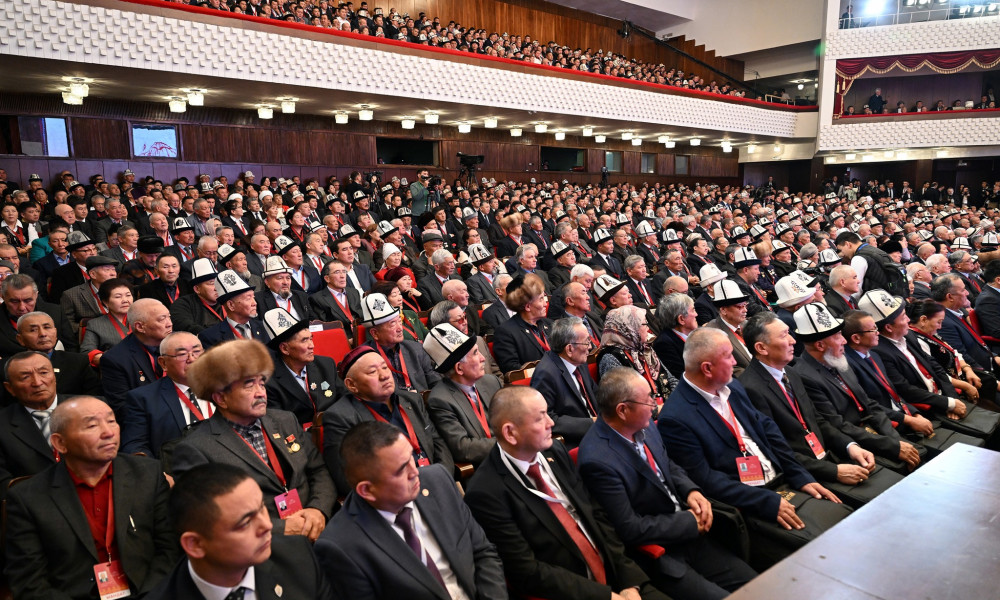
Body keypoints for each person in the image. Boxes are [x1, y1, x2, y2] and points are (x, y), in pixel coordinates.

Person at [657, 327, 852, 570]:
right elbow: (705, 479)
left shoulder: (733, 387)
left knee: (847, 518)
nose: (736, 361)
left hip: (782, 480)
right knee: (824, 552)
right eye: (729, 356)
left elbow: (768, 430)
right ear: (707, 368)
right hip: (750, 502)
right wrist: (766, 502)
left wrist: (799, 476)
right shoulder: (675, 418)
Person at [464, 386, 669, 600]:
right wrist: (605, 596)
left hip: (616, 575)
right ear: (510, 433)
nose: (551, 423)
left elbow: (596, 515)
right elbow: (527, 572)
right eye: (540, 418)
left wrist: (629, 582)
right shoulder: (485, 493)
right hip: (574, 592)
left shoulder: (554, 451)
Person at [578, 367, 757, 600]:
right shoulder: (597, 460)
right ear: (622, 410)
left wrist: (690, 490)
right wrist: (688, 521)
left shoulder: (645, 424)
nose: (654, 405)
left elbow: (666, 462)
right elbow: (629, 528)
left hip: (693, 536)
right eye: (648, 400)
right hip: (661, 553)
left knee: (757, 586)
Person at [5, 397, 178, 599]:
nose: (108, 432)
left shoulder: (148, 474)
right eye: (92, 425)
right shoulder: (28, 497)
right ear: (60, 443)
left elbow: (169, 552)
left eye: (112, 421)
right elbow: (28, 579)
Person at [315, 421, 507, 599]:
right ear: (367, 490)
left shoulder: (437, 480)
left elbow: (483, 552)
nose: (415, 472)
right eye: (401, 470)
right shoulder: (341, 546)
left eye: (411, 458)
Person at [171, 339, 336, 539]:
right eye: (249, 386)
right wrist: (279, 528)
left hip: (316, 528)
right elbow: (210, 518)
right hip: (261, 546)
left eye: (261, 383)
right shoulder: (196, 448)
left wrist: (317, 510)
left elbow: (318, 470)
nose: (261, 393)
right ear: (221, 398)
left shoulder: (284, 420)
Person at [738, 312, 903, 508]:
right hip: (806, 473)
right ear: (761, 348)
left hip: (828, 455)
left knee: (897, 484)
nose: (792, 341)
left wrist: (851, 447)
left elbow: (818, 421)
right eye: (783, 336)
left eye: (789, 333)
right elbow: (777, 449)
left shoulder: (790, 372)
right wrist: (833, 471)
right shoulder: (749, 388)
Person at [147, 463, 335, 600]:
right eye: (245, 523)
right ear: (195, 544)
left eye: (262, 509)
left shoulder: (297, 557)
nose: (267, 526)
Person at [789, 302, 923, 474]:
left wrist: (896, 441)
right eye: (838, 336)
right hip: (856, 446)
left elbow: (869, 405)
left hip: (878, 434)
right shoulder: (804, 376)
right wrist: (892, 446)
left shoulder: (835, 358)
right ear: (820, 345)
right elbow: (838, 425)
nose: (844, 340)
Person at [321, 345, 454, 493]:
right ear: (352, 385)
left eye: (385, 367)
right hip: (392, 497)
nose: (384, 375)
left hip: (435, 483)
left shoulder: (411, 400)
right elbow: (347, 478)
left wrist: (441, 478)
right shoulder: (340, 417)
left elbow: (438, 442)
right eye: (372, 372)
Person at [121, 332, 211, 459]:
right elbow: (135, 445)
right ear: (163, 363)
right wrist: (157, 474)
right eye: (182, 354)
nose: (192, 359)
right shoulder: (143, 399)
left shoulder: (226, 388)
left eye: (197, 351)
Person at [425, 323, 501, 467]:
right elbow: (463, 447)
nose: (483, 358)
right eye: (475, 353)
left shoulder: (491, 382)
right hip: (485, 467)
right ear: (459, 368)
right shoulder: (440, 400)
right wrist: (508, 445)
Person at [263, 307, 348, 428]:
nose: (312, 345)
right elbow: (279, 424)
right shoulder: (269, 381)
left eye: (311, 338)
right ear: (285, 349)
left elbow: (345, 399)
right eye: (304, 341)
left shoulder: (326, 364)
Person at [0, 351, 67, 495]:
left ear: (54, 377)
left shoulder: (91, 408)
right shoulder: (3, 425)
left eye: (43, 373)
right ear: (10, 388)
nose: (37, 382)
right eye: (25, 377)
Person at [530, 317, 599, 447]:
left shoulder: (579, 362)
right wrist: (591, 423)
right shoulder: (546, 374)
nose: (590, 347)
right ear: (569, 349)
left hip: (598, 431)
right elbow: (547, 418)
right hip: (575, 440)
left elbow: (596, 394)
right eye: (586, 342)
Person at [100, 298, 173, 417]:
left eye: (169, 317)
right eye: (162, 319)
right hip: (150, 422)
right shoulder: (116, 359)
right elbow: (122, 408)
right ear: (140, 327)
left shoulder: (180, 344)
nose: (169, 323)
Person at [8, 311, 102, 399]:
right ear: (20, 339)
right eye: (33, 330)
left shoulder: (78, 362)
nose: (43, 334)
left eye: (47, 327)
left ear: (56, 332)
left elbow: (95, 399)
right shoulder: (8, 368)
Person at [598, 305, 676, 405]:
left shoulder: (644, 348)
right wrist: (657, 410)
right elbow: (623, 401)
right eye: (644, 324)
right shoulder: (610, 358)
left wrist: (677, 399)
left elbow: (670, 379)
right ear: (629, 328)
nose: (648, 328)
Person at [493, 273, 554, 373]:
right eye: (541, 299)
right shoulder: (506, 332)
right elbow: (512, 369)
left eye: (544, 297)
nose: (545, 304)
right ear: (527, 306)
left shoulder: (550, 324)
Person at [198, 269, 269, 348]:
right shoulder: (210, 337)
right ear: (231, 305)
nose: (254, 303)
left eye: (253, 297)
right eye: (248, 298)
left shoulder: (265, 328)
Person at [80, 278, 134, 363]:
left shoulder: (142, 319)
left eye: (128, 295)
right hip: (115, 368)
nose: (125, 300)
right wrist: (111, 360)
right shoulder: (95, 324)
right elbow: (87, 351)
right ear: (106, 302)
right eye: (118, 296)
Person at [705, 279, 753, 376]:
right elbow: (729, 369)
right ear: (723, 310)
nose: (745, 310)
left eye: (745, 305)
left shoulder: (746, 324)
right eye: (739, 306)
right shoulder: (713, 334)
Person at [170, 258, 224, 334]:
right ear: (197, 289)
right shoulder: (183, 304)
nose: (216, 288)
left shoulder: (227, 301)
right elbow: (184, 324)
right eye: (211, 283)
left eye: (218, 283)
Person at [653, 293, 698, 379]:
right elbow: (681, 376)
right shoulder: (664, 344)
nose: (696, 314)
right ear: (681, 319)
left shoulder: (696, 335)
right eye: (693, 310)